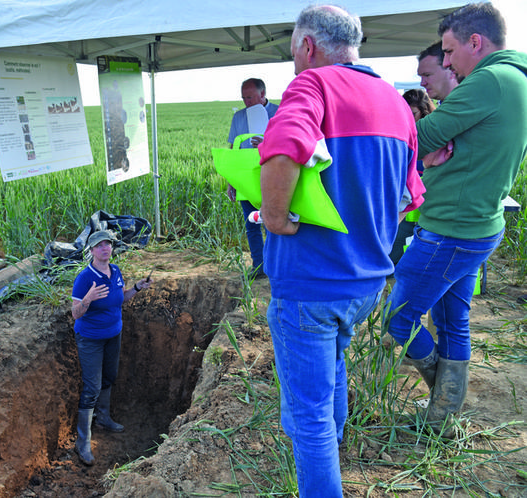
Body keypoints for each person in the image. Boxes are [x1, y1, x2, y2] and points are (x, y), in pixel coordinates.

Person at [257, 5, 424, 497]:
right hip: (367, 282)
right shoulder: (395, 102)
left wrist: (273, 216)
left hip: (311, 284)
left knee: (307, 419)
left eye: (293, 53)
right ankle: (333, 453)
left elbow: (284, 147)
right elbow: (410, 197)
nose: (293, 64)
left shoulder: (313, 85)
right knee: (330, 375)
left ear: (308, 46)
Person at [387, 2, 527, 434]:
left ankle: (442, 402)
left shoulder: (489, 81)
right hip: (476, 225)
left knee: (399, 318)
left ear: (475, 42)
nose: (446, 62)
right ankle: (443, 418)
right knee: (451, 320)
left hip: (451, 229)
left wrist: (421, 145)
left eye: (449, 52)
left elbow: (421, 135)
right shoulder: (516, 78)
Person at [70, 229, 152, 465]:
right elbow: (75, 313)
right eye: (100, 245)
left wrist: (136, 288)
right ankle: (82, 442)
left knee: (109, 377)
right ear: (92, 250)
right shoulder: (85, 278)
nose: (106, 248)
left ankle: (103, 418)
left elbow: (120, 299)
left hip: (113, 335)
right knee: (92, 387)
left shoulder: (115, 271)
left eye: (109, 244)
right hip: (90, 339)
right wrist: (88, 298)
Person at [226, 78, 279, 279]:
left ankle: (276, 267)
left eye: (250, 97)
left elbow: (291, 144)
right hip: (246, 178)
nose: (246, 102)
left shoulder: (280, 112)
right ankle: (259, 267)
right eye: (243, 98)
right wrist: (232, 180)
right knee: (252, 223)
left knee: (273, 222)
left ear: (263, 94)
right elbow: (234, 150)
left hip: (274, 177)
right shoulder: (239, 117)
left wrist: (268, 144)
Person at [388, 88, 438, 265]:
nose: (409, 117)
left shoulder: (432, 133)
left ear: (424, 111)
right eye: (406, 112)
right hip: (406, 201)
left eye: (414, 113)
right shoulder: (399, 132)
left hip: (426, 199)